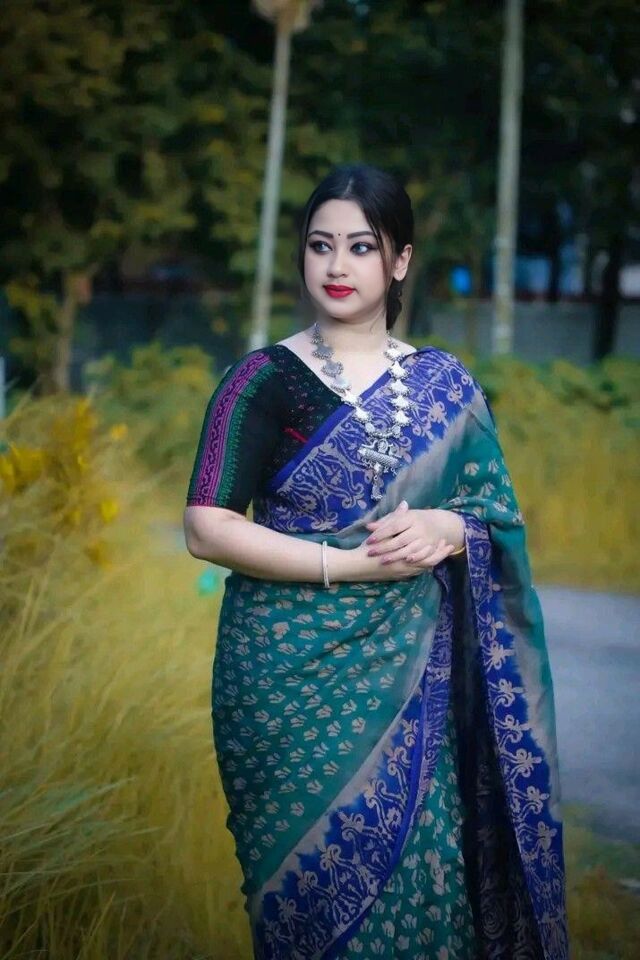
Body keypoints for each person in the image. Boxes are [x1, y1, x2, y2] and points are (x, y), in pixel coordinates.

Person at [183, 163, 568, 960]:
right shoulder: (261, 380)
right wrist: (349, 566)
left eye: (361, 247)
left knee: (423, 885)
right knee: (305, 901)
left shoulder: (444, 386)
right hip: (284, 682)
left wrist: (449, 527)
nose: (337, 265)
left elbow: (496, 517)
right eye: (320, 245)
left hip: (412, 680)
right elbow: (206, 528)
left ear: (399, 261)